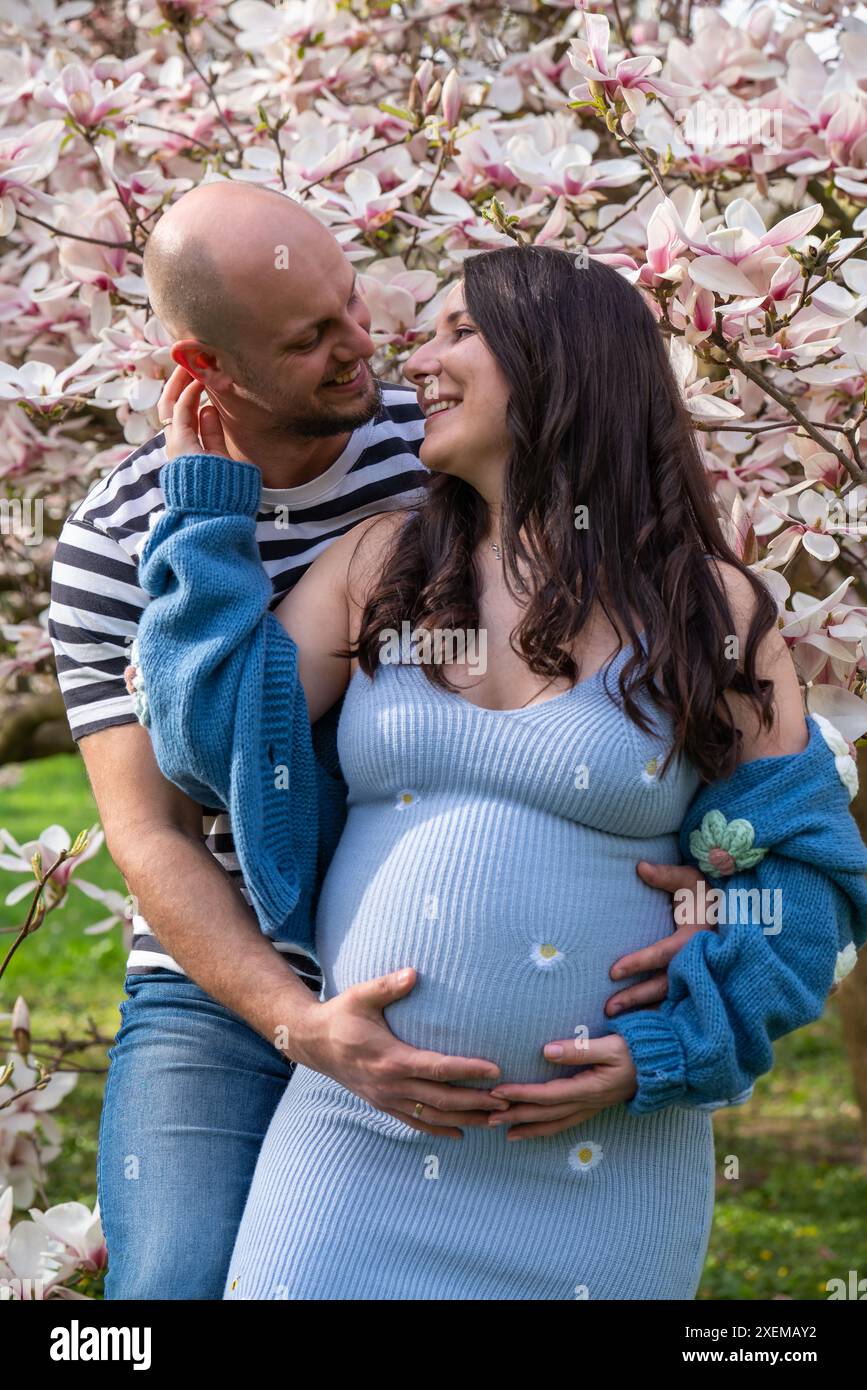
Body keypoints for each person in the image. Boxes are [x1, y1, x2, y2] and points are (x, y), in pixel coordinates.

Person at [135, 246, 867, 1299]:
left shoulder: (715, 611)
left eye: (455, 331)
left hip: (609, 1162)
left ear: (560, 361)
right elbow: (209, 747)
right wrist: (205, 513)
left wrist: (673, 1044)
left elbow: (812, 885)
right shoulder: (379, 566)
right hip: (360, 1140)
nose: (415, 361)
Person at [48, 185, 709, 1300]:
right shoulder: (117, 534)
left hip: (456, 1021)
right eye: (311, 341)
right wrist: (297, 1018)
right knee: (171, 1284)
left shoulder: (440, 441)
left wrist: (707, 872)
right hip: (218, 983)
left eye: (353, 302)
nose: (368, 349)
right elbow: (153, 829)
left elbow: (657, 625)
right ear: (206, 367)